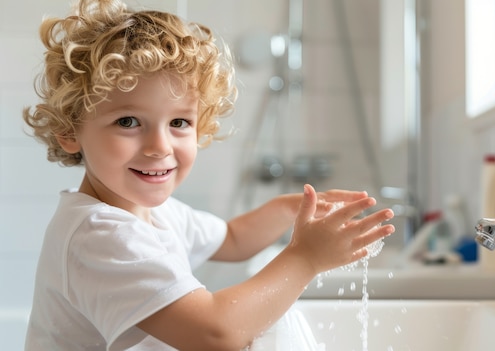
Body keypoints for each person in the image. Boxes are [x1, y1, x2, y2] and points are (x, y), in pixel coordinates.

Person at [22, 0, 396, 350]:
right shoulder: (99, 234)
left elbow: (232, 239)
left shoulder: (152, 213)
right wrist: (305, 258)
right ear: (70, 131)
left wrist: (289, 208)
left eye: (179, 122)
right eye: (128, 121)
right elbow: (214, 333)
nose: (160, 146)